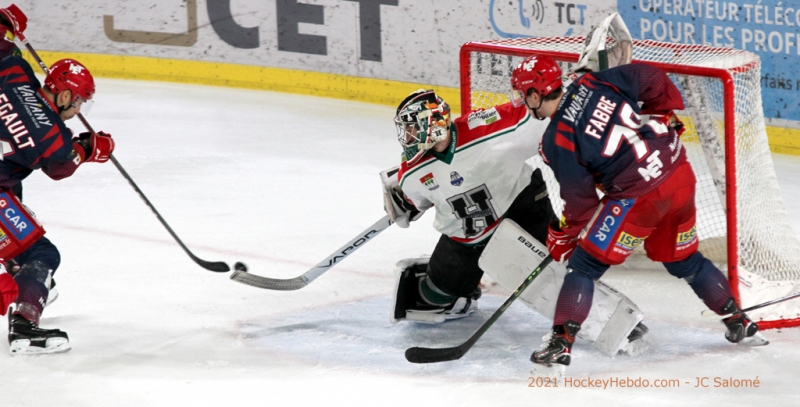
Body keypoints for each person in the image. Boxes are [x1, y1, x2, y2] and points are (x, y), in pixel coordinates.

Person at [510, 54, 758, 370]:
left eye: (521, 93)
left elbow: (581, 203)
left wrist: (562, 234)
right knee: (683, 258)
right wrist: (661, 111)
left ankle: (560, 343)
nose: (520, 100)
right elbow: (651, 76)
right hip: (678, 173)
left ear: (535, 94)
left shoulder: (557, 138)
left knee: (583, 266)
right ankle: (737, 318)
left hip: (639, 200)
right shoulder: (591, 81)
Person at [384, 89, 648, 356]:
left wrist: (587, 96)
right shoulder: (411, 171)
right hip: (466, 237)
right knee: (432, 296)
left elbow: (540, 115)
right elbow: (414, 200)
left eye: (412, 128)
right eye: (405, 130)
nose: (407, 137)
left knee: (554, 275)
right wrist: (401, 201)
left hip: (522, 211)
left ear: (435, 124)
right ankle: (465, 293)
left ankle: (615, 321)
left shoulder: (490, 130)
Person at [0, 5, 116, 354]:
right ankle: (23, 326)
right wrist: (92, 149)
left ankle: (25, 286)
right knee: (43, 253)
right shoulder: (53, 135)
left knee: (16, 205)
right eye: (79, 101)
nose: (79, 110)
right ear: (64, 95)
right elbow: (59, 166)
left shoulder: (15, 69)